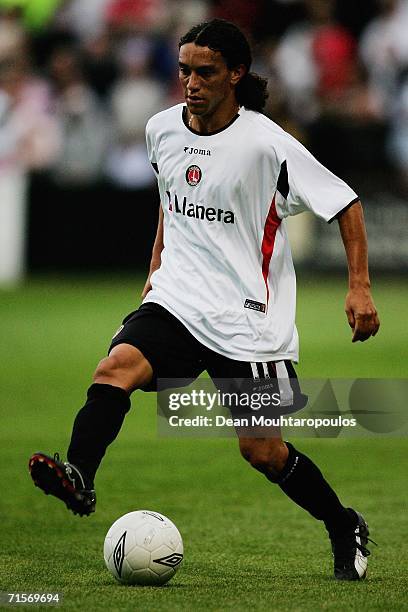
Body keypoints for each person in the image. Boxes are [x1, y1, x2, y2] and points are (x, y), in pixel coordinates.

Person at [29, 19, 380, 581]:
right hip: (178, 299)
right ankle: (80, 476)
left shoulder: (267, 143)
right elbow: (172, 205)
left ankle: (343, 524)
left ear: (236, 74)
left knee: (263, 452)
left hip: (247, 320)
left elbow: (346, 203)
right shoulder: (161, 129)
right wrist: (154, 272)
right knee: (114, 368)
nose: (190, 82)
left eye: (205, 72)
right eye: (185, 69)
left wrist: (359, 286)